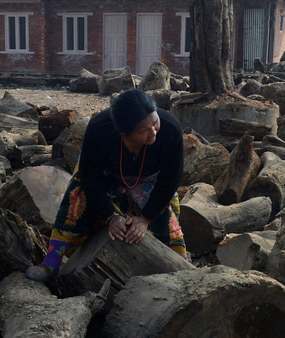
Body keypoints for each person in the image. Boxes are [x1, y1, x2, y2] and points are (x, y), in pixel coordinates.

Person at [26, 89, 188, 282]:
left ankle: (183, 268)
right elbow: (90, 176)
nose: (153, 132)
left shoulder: (170, 129)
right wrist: (110, 216)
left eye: (154, 123)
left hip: (152, 181)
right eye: (144, 130)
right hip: (106, 176)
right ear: (123, 132)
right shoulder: (99, 129)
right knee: (77, 195)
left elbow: (171, 179)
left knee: (165, 218)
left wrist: (145, 219)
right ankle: (52, 261)